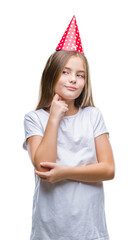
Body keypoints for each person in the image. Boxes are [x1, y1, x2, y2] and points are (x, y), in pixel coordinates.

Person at [23, 15, 115, 240]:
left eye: (79, 75)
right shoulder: (34, 119)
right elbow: (44, 168)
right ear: (51, 74)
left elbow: (108, 169)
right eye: (65, 72)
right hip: (49, 230)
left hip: (88, 229)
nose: (73, 79)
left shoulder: (92, 116)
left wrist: (66, 172)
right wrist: (54, 118)